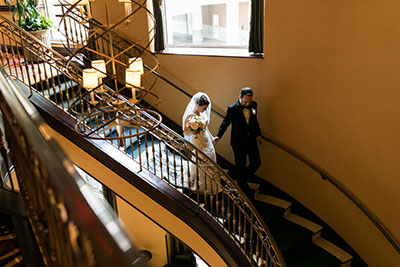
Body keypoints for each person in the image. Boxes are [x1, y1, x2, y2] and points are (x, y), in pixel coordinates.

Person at [213, 87, 262, 197]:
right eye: (245, 101)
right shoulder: (232, 108)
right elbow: (225, 123)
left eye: (250, 101)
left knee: (257, 162)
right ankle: (243, 188)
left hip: (251, 140)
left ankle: (240, 177)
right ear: (239, 97)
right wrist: (218, 136)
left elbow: (255, 121)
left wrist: (258, 135)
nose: (248, 104)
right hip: (238, 142)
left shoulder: (254, 105)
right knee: (241, 165)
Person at [182, 92, 218, 193]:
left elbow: (206, 128)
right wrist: (192, 131)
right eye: (204, 108)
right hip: (198, 141)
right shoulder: (190, 116)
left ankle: (210, 182)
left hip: (206, 141)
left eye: (206, 108)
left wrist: (212, 138)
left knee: (211, 158)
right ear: (197, 105)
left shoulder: (202, 114)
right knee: (201, 160)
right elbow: (185, 131)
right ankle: (199, 183)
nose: (206, 110)